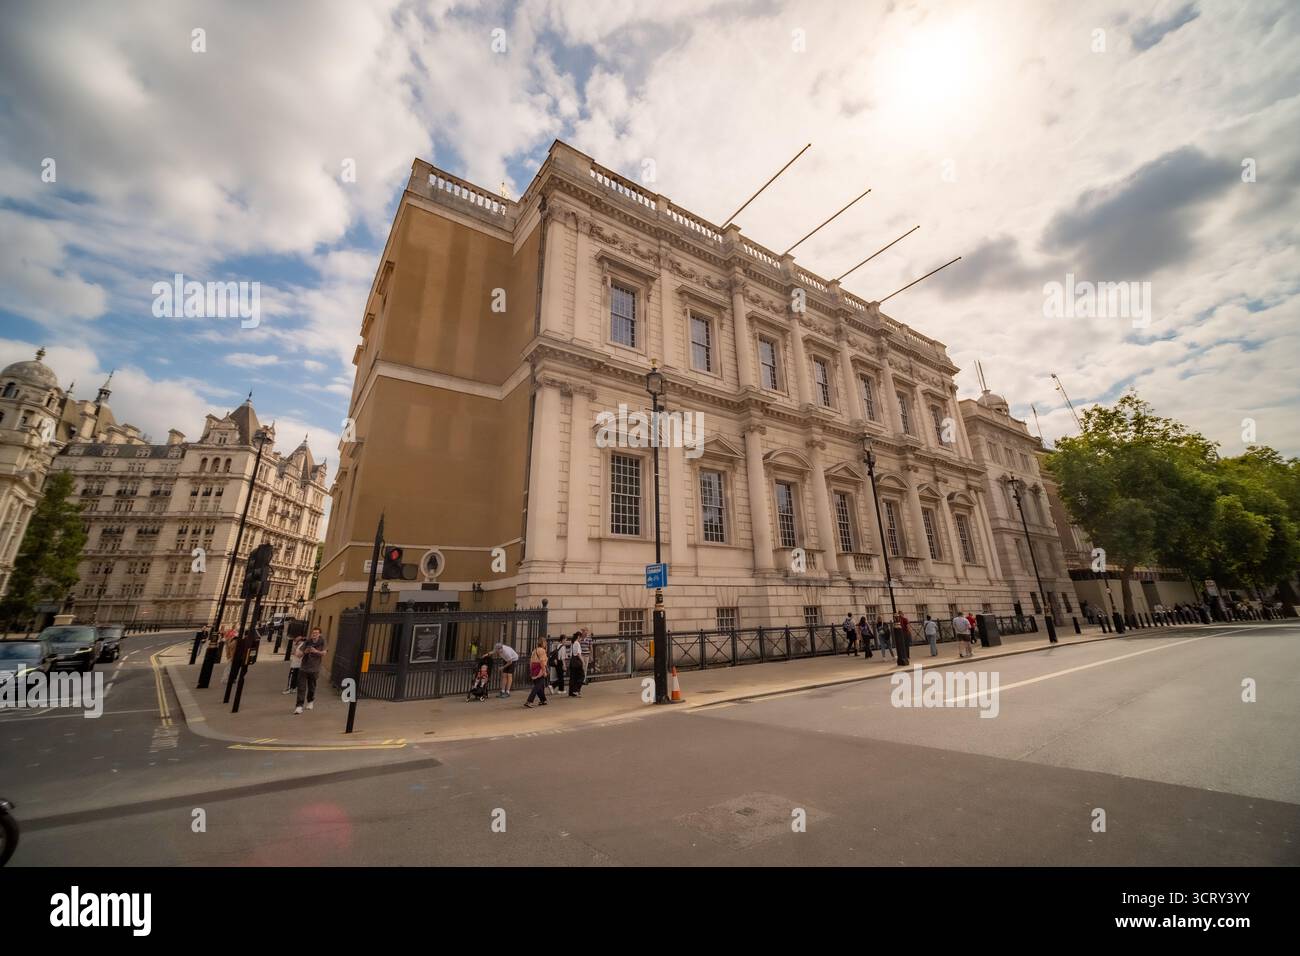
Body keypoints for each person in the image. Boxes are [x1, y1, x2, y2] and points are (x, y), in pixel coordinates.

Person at [294, 626, 326, 714]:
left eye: (316, 633)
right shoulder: (307, 642)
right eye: (313, 633)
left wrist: (316, 651)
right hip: (304, 668)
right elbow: (298, 654)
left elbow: (324, 653)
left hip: (314, 669)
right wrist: (305, 652)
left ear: (319, 634)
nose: (314, 634)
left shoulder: (322, 642)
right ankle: (299, 706)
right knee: (301, 687)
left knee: (312, 687)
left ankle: (310, 701)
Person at [524, 640, 549, 708]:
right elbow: (542, 661)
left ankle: (543, 700)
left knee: (539, 686)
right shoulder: (542, 651)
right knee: (538, 685)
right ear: (543, 644)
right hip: (540, 667)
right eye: (545, 643)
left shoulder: (534, 650)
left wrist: (531, 670)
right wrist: (544, 671)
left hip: (533, 667)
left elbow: (531, 661)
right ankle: (529, 701)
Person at [568, 628, 586, 697]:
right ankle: (576, 690)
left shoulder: (572, 643)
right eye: (581, 638)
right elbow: (578, 654)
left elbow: (570, 654)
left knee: (573, 677)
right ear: (578, 637)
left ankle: (571, 692)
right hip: (577, 662)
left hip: (572, 661)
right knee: (581, 676)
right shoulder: (577, 643)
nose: (581, 639)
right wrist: (583, 661)